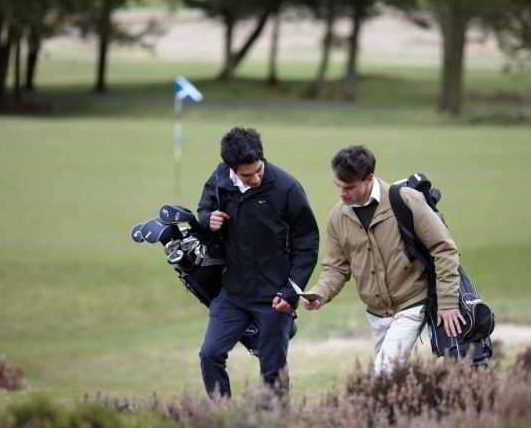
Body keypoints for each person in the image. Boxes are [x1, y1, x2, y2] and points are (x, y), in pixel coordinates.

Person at [301, 146, 464, 374]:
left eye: (349, 188)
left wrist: (448, 303)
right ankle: (419, 407)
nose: (342, 194)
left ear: (368, 179)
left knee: (383, 372)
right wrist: (320, 293)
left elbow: (444, 248)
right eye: (338, 186)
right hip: (376, 314)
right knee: (394, 380)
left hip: (412, 303)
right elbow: (336, 268)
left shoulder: (406, 200)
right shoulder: (337, 217)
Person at [196, 127, 319, 398]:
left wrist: (291, 291)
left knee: (272, 370)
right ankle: (222, 417)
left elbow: (307, 243)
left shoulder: (287, 187)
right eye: (246, 175)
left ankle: (274, 426)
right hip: (233, 293)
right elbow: (203, 211)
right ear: (231, 169)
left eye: (258, 171)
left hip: (275, 297)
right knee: (209, 354)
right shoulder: (219, 179)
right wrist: (208, 219)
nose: (255, 179)